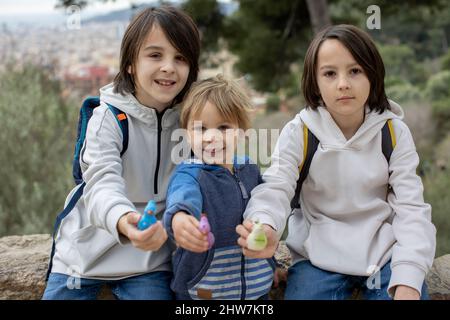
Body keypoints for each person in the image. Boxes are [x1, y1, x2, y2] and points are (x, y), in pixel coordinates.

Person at [236, 24, 436, 300]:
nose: (343, 83)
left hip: (385, 257)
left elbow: (412, 210)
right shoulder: (299, 132)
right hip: (316, 260)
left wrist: (410, 277)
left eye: (355, 71)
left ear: (372, 74)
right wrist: (265, 224)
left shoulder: (393, 132)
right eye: (330, 73)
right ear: (315, 83)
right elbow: (276, 187)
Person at [43, 6, 201, 300]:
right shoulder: (109, 118)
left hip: (149, 261)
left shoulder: (190, 123)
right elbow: (101, 182)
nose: (169, 66)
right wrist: (123, 218)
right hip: (84, 257)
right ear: (130, 63)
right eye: (155, 55)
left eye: (180, 58)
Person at [163, 75, 275, 300]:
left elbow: (267, 208)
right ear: (186, 133)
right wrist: (180, 219)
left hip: (256, 288)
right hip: (202, 291)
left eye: (223, 127)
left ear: (242, 131)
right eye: (200, 129)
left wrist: (269, 264)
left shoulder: (249, 169)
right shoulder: (191, 174)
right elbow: (183, 199)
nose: (211, 137)